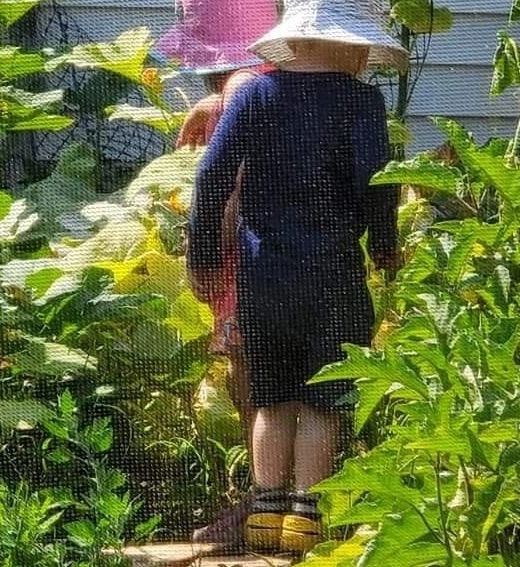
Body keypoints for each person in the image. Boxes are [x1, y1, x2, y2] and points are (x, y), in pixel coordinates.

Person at [186, 0, 405, 556]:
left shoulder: (256, 95)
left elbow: (212, 174)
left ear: (296, 41)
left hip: (263, 274)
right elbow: (377, 181)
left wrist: (205, 254)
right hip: (332, 271)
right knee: (325, 397)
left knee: (271, 397)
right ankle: (304, 515)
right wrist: (384, 244)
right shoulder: (359, 100)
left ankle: (265, 510)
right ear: (348, 48)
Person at [155, 0, 279, 550]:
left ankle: (263, 502)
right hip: (294, 254)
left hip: (248, 259)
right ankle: (284, 501)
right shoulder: (276, 79)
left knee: (254, 379)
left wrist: (203, 250)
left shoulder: (239, 90)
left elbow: (230, 181)